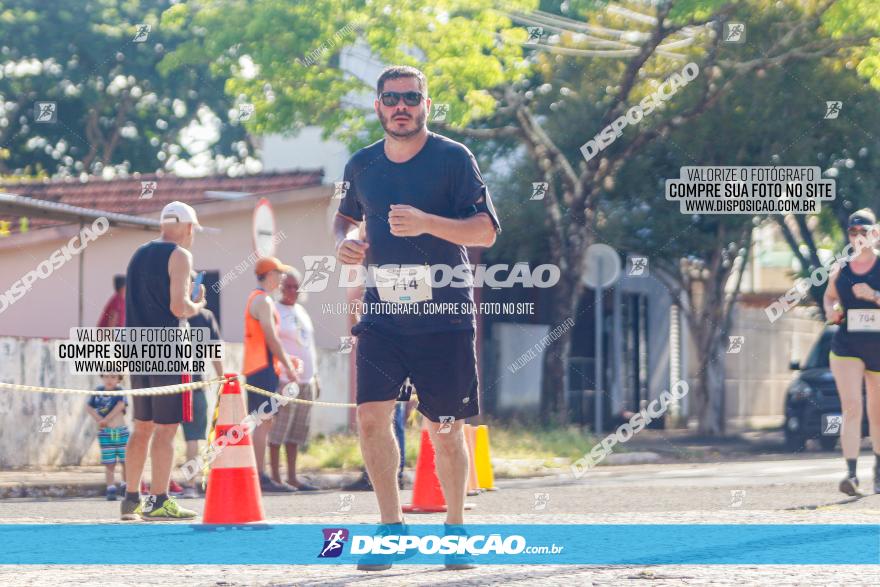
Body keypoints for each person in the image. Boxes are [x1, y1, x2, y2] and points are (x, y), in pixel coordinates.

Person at [333, 65, 500, 570]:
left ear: (426, 103)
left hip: (444, 316)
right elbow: (347, 222)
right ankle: (391, 527)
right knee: (369, 418)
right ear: (378, 105)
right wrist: (347, 245)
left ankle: (455, 528)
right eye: (391, 98)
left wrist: (429, 223)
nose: (400, 106)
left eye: (410, 97)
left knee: (445, 427)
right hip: (383, 313)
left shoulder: (453, 159)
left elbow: (486, 232)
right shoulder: (361, 164)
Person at [120, 201, 205, 521]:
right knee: (167, 430)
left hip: (138, 348)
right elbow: (178, 308)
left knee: (141, 427)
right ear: (187, 226)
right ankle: (159, 500)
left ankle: (131, 500)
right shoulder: (180, 255)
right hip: (169, 350)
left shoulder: (138, 254)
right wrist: (198, 305)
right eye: (193, 228)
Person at [824, 208, 880, 496]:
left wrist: (874, 296)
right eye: (853, 231)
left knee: (877, 410)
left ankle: (879, 468)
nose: (858, 236)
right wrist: (831, 311)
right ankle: (851, 475)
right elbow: (830, 297)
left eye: (864, 231)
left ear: (875, 234)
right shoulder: (841, 269)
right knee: (851, 408)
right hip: (847, 347)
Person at [243, 256, 302, 493]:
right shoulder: (264, 302)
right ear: (268, 276)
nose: (282, 279)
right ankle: (260, 476)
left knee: (264, 421)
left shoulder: (256, 299)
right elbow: (271, 337)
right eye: (279, 275)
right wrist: (288, 365)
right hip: (262, 368)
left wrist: (285, 361)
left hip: (259, 367)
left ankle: (259, 475)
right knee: (264, 421)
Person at [268, 270, 320, 491]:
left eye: (295, 287)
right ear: (280, 288)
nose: (292, 291)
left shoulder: (302, 311)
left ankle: (292, 476)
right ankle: (275, 477)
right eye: (287, 286)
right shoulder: (274, 310)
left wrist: (315, 376)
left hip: (307, 380)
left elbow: (309, 346)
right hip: (284, 379)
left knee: (297, 431)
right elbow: (271, 342)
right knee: (279, 430)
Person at [180, 305, 224, 498]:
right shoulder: (205, 316)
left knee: (164, 434)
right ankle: (189, 485)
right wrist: (222, 377)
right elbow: (215, 350)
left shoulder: (170, 312)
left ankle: (161, 488)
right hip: (194, 385)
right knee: (193, 438)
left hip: (167, 383)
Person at [86, 373, 128, 501]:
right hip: (106, 433)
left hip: (120, 432)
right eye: (106, 376)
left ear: (119, 379)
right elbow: (89, 407)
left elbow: (120, 406)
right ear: (102, 377)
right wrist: (100, 419)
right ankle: (110, 487)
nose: (109, 379)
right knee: (109, 463)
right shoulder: (98, 392)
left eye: (113, 377)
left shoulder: (120, 391)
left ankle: (125, 485)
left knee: (125, 461)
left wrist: (106, 419)